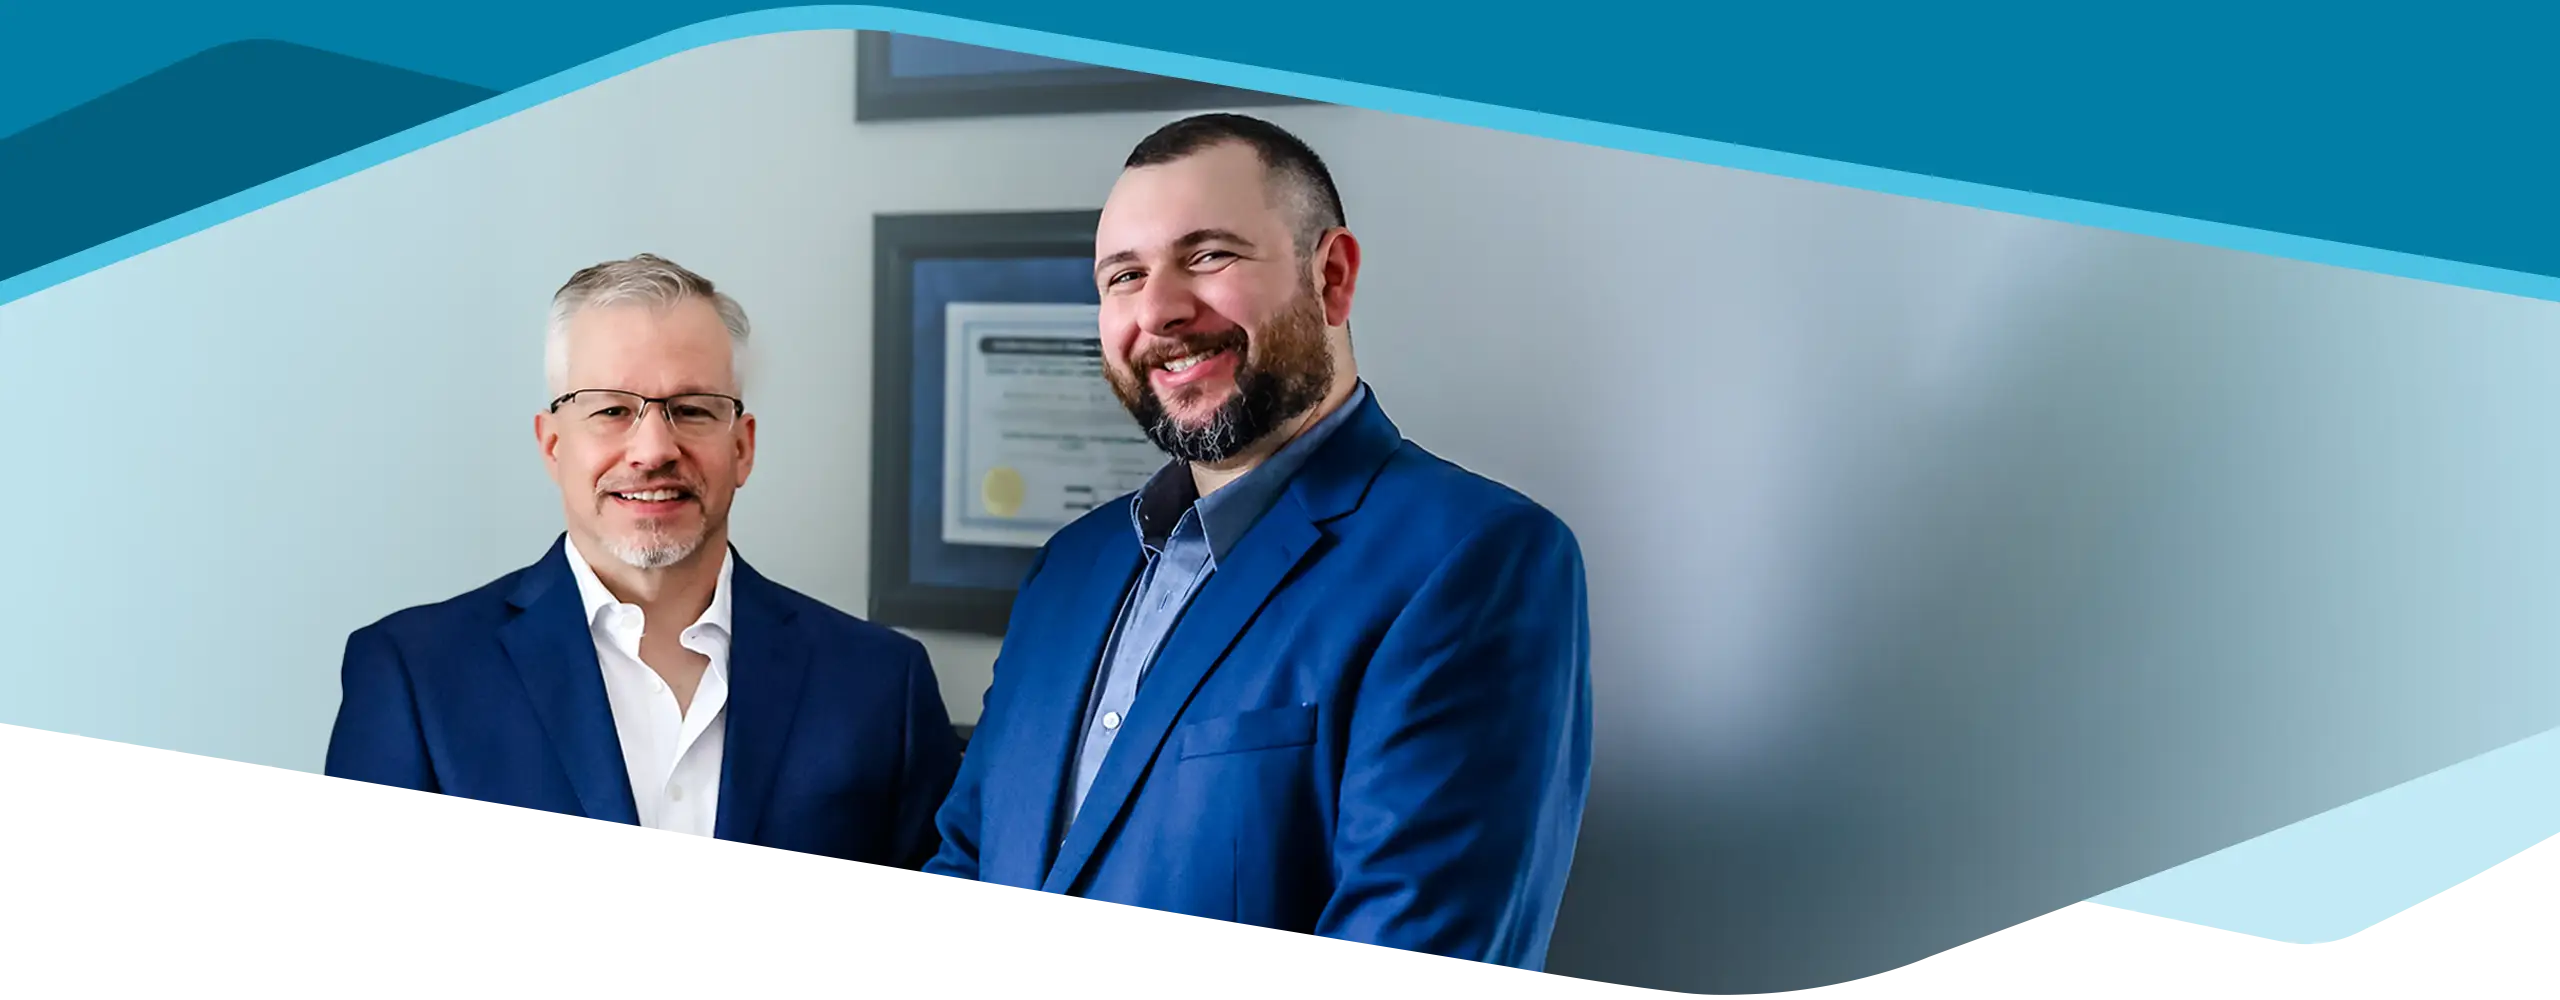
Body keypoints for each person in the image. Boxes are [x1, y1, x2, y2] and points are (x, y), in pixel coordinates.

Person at [923, 114, 1594, 973]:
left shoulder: (1475, 562)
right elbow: (963, 871)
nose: (1160, 309)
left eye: (1208, 256)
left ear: (1334, 278)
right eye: (1124, 276)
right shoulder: (1072, 569)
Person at [325, 254, 962, 869]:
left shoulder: (881, 685)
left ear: (742, 448)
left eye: (691, 409)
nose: (654, 449)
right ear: (553, 445)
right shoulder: (414, 676)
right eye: (611, 409)